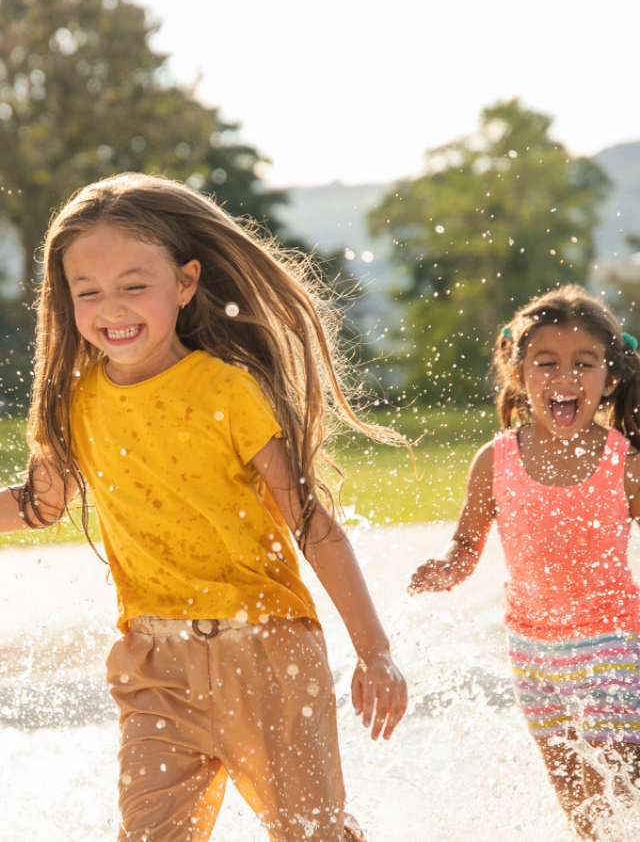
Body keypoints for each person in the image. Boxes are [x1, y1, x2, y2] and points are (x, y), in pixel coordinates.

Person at [1, 173, 408, 842]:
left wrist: (375, 651)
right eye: (89, 290)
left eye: (135, 284)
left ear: (185, 283)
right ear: (64, 296)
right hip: (154, 663)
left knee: (314, 834)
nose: (113, 306)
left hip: (267, 655)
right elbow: (40, 504)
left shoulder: (224, 391)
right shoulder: (73, 401)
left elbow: (312, 525)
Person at [410, 285, 640, 839]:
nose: (565, 378)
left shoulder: (623, 462)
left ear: (609, 379)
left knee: (624, 782)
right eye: (547, 364)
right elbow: (466, 543)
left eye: (583, 364)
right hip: (533, 652)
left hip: (611, 641)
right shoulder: (496, 460)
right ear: (518, 374)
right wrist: (448, 566)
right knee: (576, 799)